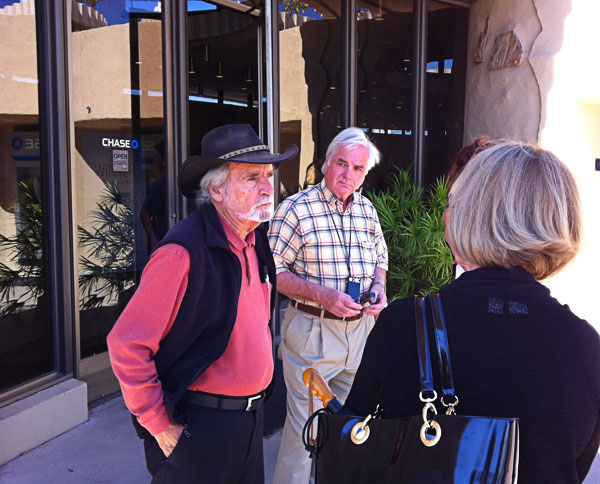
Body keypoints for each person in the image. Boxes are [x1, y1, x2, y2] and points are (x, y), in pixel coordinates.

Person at [345, 141, 600, 484]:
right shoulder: (586, 347)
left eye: (453, 203)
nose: (447, 212)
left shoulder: (405, 324)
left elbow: (355, 445)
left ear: (471, 215)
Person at [107, 124, 298, 484]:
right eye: (252, 177)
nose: (268, 188)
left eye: (270, 175)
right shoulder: (182, 252)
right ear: (217, 190)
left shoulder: (254, 239)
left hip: (250, 421)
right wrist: (159, 427)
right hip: (199, 427)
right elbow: (126, 344)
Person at [268, 127, 389, 484]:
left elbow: (380, 255)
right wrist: (323, 296)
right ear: (326, 163)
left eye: (357, 169)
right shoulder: (294, 210)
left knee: (353, 429)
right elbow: (273, 273)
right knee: (305, 433)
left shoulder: (366, 210)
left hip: (361, 334)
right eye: (342, 164)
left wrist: (379, 286)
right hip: (313, 334)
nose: (348, 175)